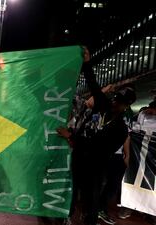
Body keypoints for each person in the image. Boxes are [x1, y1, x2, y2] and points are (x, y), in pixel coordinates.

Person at [57, 47, 136, 225]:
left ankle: (89, 220)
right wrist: (87, 63)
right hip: (79, 158)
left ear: (126, 106)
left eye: (120, 102)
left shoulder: (121, 129)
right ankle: (66, 216)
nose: (115, 103)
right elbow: (93, 85)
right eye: (116, 98)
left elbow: (98, 148)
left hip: (95, 167)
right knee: (71, 188)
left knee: (90, 200)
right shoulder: (104, 107)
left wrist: (71, 136)